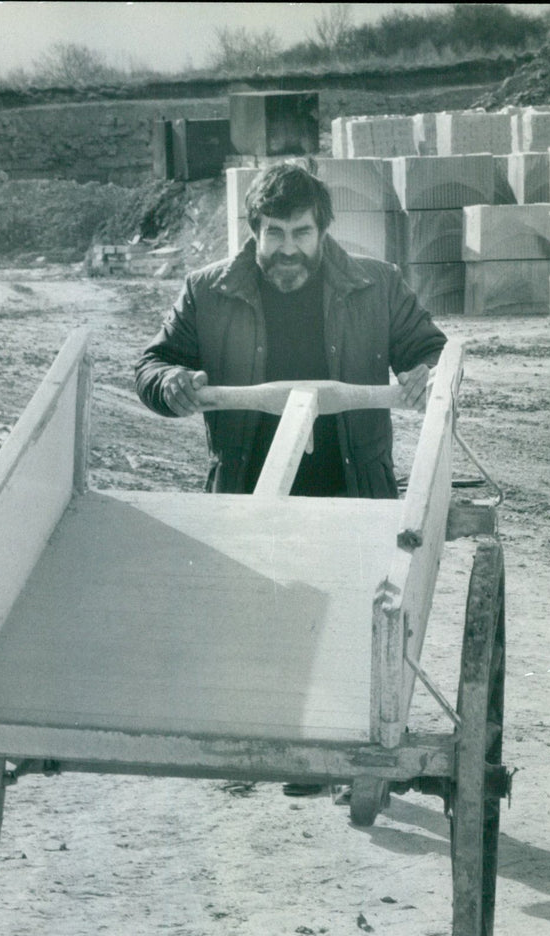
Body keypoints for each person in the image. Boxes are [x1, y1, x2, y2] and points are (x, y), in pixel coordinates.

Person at [135, 162, 447, 795]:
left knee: (350, 621)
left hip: (353, 483)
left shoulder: (377, 285)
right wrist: (171, 385)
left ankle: (336, 752)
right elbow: (153, 363)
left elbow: (433, 351)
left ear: (323, 230)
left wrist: (428, 374)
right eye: (273, 233)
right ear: (253, 231)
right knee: (251, 615)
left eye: (301, 233)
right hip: (252, 484)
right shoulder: (206, 291)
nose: (287, 248)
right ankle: (257, 747)